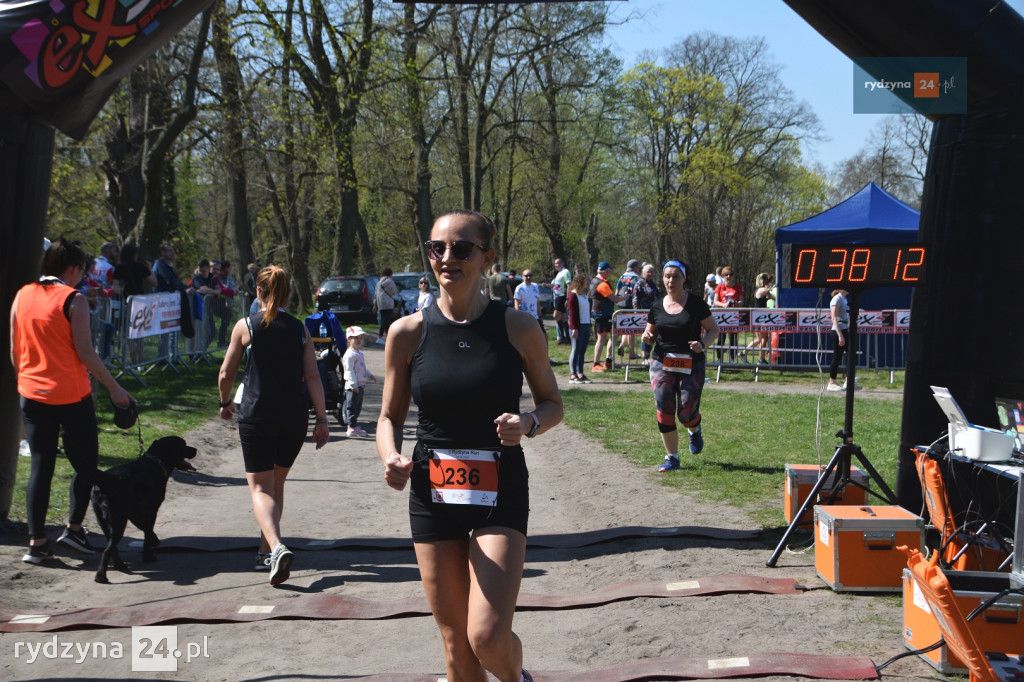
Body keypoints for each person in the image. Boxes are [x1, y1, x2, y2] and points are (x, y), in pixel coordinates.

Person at [377, 209, 562, 682]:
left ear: (487, 257)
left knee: (487, 637)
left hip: (499, 490)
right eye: (436, 248)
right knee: (457, 649)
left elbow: (552, 404)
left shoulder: (518, 327)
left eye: (461, 248)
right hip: (433, 493)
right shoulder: (407, 333)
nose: (447, 258)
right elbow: (388, 417)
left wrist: (528, 423)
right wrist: (391, 456)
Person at [10, 238, 132, 564]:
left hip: (32, 393)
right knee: (86, 463)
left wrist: (27, 379)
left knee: (41, 466)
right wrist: (115, 388)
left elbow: (14, 350)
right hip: (70, 395)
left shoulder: (23, 295)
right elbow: (86, 353)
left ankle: (36, 543)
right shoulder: (73, 299)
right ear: (74, 269)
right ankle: (74, 528)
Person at [217, 265, 330, 584]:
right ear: (287, 293)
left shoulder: (246, 326)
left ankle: (277, 547)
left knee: (259, 488)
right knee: (276, 485)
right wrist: (322, 419)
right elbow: (312, 376)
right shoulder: (300, 329)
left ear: (258, 291)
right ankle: (264, 551)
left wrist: (225, 402)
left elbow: (226, 373)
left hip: (258, 413)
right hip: (293, 415)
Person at [641, 260, 718, 473]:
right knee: (664, 408)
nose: (670, 280)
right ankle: (672, 457)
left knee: (686, 412)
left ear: (684, 279)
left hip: (691, 363)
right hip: (662, 362)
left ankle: (694, 428)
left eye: (675, 276)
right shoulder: (657, 305)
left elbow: (713, 330)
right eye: (667, 276)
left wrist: (702, 344)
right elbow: (650, 332)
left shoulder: (696, 303)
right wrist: (647, 337)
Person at [342, 326, 377, 437]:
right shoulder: (349, 355)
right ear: (349, 339)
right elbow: (349, 370)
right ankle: (351, 427)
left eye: (360, 338)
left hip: (360, 385)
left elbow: (362, 368)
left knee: (357, 407)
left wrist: (369, 374)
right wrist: (353, 384)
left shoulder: (359, 353)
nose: (358, 340)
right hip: (353, 387)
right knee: (351, 407)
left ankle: (354, 425)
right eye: (355, 338)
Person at [588, 261, 624, 373]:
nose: (609, 273)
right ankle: (597, 364)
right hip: (602, 314)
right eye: (608, 271)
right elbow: (615, 299)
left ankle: (608, 360)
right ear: (605, 271)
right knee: (602, 338)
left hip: (602, 313)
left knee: (613, 335)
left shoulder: (595, 280)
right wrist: (626, 296)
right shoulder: (602, 284)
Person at [566, 273, 592, 384]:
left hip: (586, 325)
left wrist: (590, 326)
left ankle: (580, 372)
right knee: (575, 349)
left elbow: (587, 312)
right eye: (586, 281)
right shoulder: (573, 295)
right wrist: (574, 328)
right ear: (580, 282)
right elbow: (572, 314)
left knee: (582, 351)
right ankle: (573, 374)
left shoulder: (585, 295)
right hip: (577, 326)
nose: (587, 284)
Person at [713, 266, 743, 361]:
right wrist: (723, 305)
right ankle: (719, 360)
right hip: (722, 316)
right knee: (721, 338)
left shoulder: (738, 287)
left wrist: (736, 303)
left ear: (733, 276)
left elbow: (741, 301)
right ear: (723, 276)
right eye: (726, 275)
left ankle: (732, 360)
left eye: (730, 274)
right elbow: (715, 301)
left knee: (733, 339)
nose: (728, 276)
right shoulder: (719, 287)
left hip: (734, 316)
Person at [632, 263, 660, 364]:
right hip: (643, 314)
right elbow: (635, 299)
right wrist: (637, 312)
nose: (650, 273)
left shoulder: (653, 284)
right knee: (646, 335)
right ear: (643, 272)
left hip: (654, 314)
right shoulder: (639, 283)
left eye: (652, 272)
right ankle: (645, 357)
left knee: (653, 335)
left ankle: (649, 356)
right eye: (648, 271)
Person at [615, 259, 642, 360]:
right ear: (635, 267)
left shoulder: (622, 276)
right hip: (631, 305)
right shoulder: (636, 278)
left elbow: (617, 290)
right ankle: (631, 353)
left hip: (621, 305)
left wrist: (618, 300)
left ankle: (622, 345)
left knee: (625, 328)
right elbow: (637, 292)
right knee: (631, 330)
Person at [826, 288, 850, 392]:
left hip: (845, 329)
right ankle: (832, 382)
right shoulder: (836, 299)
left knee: (851, 355)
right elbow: (834, 318)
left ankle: (849, 380)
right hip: (838, 331)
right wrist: (840, 335)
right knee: (837, 357)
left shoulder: (844, 299)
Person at [214, 260, 239, 347]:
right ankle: (221, 341)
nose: (228, 271)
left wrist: (233, 291)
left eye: (228, 269)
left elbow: (234, 288)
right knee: (222, 321)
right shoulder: (216, 278)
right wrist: (231, 291)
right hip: (216, 303)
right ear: (222, 269)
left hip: (227, 303)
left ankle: (223, 340)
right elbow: (222, 289)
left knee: (226, 320)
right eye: (226, 269)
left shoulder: (229, 277)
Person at [550, 258, 572, 345]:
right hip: (557, 296)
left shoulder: (566, 272)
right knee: (563, 318)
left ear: (562, 263)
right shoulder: (559, 273)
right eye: (555, 263)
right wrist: (549, 285)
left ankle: (563, 337)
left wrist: (567, 298)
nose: (556, 265)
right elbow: (558, 286)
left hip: (562, 297)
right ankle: (565, 338)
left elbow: (569, 285)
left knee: (556, 315)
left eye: (558, 263)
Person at [375, 268, 400, 338]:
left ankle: (388, 335)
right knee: (386, 319)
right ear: (390, 274)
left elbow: (375, 294)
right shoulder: (390, 281)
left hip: (380, 303)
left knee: (384, 318)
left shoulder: (379, 282)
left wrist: (375, 304)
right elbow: (394, 292)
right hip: (388, 303)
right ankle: (380, 335)